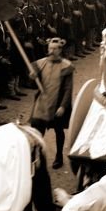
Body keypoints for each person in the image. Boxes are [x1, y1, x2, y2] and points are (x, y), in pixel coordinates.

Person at [29, 37, 74, 169]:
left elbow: (68, 89)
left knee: (59, 132)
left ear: (60, 50)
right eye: (50, 48)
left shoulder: (66, 66)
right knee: (36, 133)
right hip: (42, 104)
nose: (52, 51)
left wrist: (63, 106)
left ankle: (59, 156)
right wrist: (32, 78)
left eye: (55, 49)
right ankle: (37, 157)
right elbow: (33, 86)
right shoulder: (41, 64)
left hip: (57, 105)